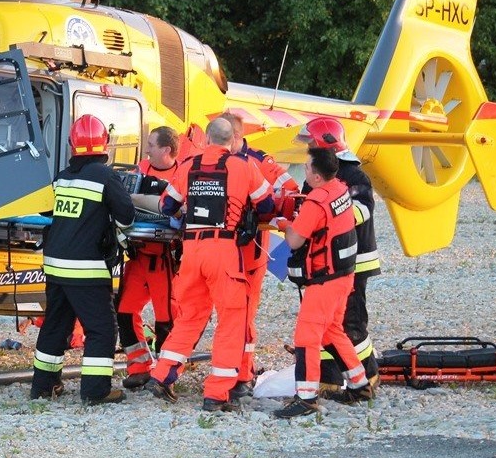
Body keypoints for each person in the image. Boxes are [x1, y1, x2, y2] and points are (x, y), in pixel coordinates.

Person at [145, 117, 275, 411]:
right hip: (224, 250)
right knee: (231, 318)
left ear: (207, 140)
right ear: (232, 141)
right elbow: (267, 205)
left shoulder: (189, 165)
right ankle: (217, 393)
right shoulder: (244, 167)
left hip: (192, 250)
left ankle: (162, 374)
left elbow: (167, 205)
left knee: (191, 315)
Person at [30, 114, 135, 405]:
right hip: (85, 267)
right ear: (106, 144)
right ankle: (95, 391)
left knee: (55, 325)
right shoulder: (105, 176)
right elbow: (126, 214)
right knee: (102, 328)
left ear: (71, 145)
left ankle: (43, 386)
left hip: (55, 265)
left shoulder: (62, 177)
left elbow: (47, 213)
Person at [270, 146, 373, 418]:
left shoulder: (316, 202)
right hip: (344, 275)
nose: (304, 170)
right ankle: (360, 384)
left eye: (306, 167)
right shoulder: (340, 189)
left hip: (324, 280)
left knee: (307, 337)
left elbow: (294, 240)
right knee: (332, 332)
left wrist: (283, 224)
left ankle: (306, 398)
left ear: (316, 177)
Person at [296, 117, 381, 397]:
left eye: (311, 144)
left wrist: (326, 218)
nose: (307, 150)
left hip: (354, 261)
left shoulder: (355, 175)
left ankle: (368, 375)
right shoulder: (317, 175)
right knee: (326, 327)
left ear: (325, 146)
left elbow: (362, 210)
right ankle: (331, 380)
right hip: (323, 264)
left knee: (351, 325)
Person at [220, 111, 300, 400]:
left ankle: (242, 372)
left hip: (249, 250)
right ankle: (224, 371)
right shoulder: (212, 159)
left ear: (237, 137)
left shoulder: (258, 160)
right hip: (218, 251)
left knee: (243, 313)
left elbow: (290, 193)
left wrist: (264, 212)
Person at [117, 126, 182, 389]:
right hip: (139, 254)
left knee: (166, 318)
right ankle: (139, 366)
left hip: (165, 258)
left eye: (151, 145)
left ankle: (167, 374)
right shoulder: (141, 169)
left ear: (166, 150)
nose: (147, 150)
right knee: (123, 311)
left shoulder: (183, 174)